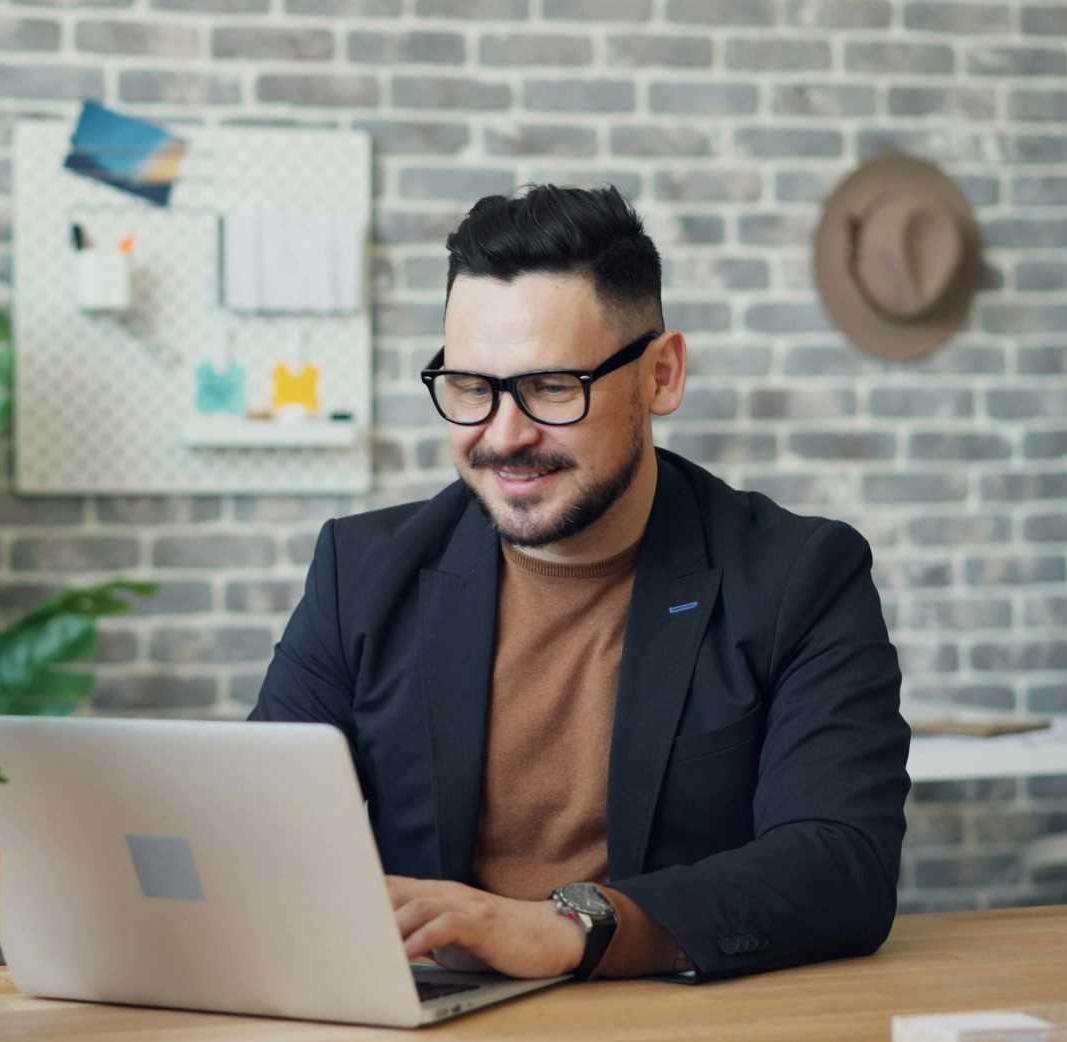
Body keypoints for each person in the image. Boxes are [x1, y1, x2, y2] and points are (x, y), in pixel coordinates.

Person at [249, 184, 910, 983]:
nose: (503, 435)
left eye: (553, 387)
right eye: (469, 388)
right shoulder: (361, 572)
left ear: (661, 376)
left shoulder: (800, 578)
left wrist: (569, 927)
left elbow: (840, 864)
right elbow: (258, 827)